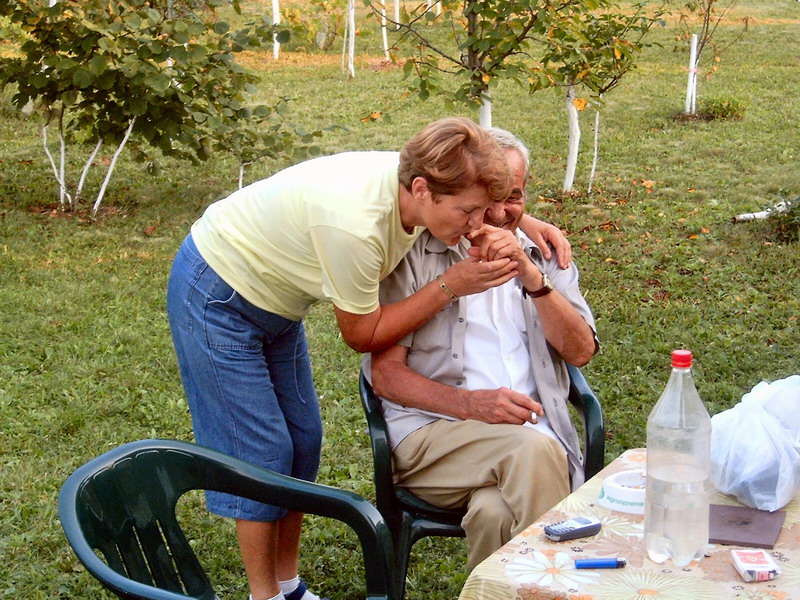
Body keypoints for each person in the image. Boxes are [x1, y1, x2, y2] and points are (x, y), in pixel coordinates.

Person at [166, 117, 570, 600]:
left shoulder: (417, 179)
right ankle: (264, 595)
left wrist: (525, 223)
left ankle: (289, 585)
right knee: (262, 452)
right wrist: (449, 286)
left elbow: (467, 193)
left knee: (303, 440)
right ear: (422, 191)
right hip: (219, 291)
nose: (477, 223)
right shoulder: (356, 227)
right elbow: (361, 335)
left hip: (278, 300)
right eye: (469, 212)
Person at [365, 128, 599, 572]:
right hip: (434, 437)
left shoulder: (543, 255)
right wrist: (471, 405)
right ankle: (568, 587)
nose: (495, 213)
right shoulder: (414, 254)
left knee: (495, 512)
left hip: (534, 439)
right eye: (486, 199)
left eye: (513, 197)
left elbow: (581, 351)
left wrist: (532, 276)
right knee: (533, 452)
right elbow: (386, 376)